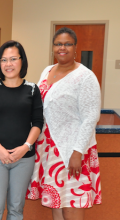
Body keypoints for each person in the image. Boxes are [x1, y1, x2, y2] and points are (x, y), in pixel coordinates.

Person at [26, 27, 102, 220]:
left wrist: (77, 152)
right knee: (57, 203)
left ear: (75, 47)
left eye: (68, 44)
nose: (63, 48)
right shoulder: (47, 71)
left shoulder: (85, 77)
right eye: (58, 44)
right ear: (53, 47)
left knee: (72, 204)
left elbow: (91, 117)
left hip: (72, 150)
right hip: (49, 149)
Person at [0, 40, 44, 220]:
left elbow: (38, 122)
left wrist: (26, 147)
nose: (8, 64)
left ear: (22, 61)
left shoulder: (32, 89)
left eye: (13, 59)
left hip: (24, 159)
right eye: (3, 60)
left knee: (16, 208)